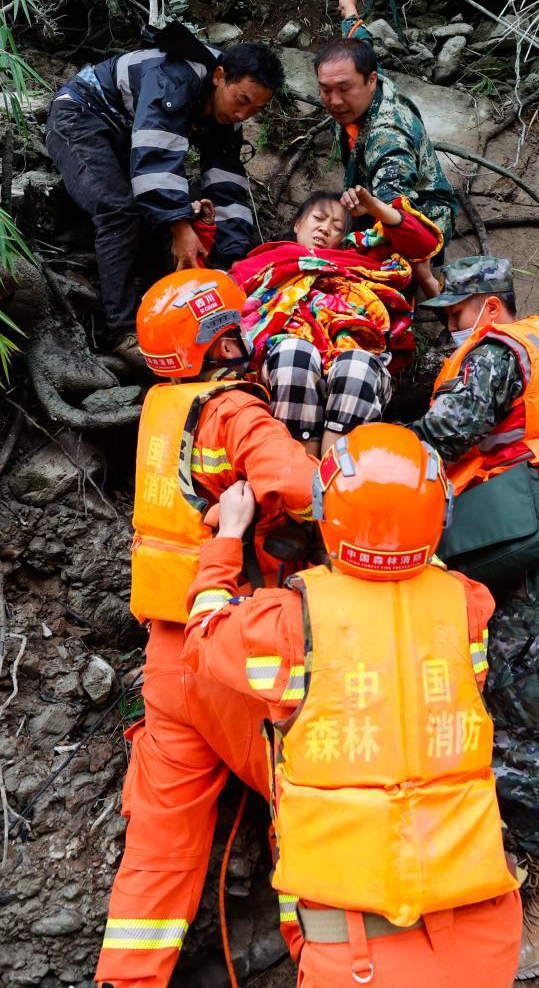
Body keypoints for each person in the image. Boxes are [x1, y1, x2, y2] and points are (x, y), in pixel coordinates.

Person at [182, 424, 522, 988]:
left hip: (360, 956)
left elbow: (202, 639)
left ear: (325, 512)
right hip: (487, 934)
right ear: (440, 516)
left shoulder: (289, 622)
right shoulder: (467, 604)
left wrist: (229, 538)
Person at [94, 268, 316, 988]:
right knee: (309, 805)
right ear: (221, 339)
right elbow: (301, 486)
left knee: (159, 846)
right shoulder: (232, 410)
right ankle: (324, 966)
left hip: (167, 655)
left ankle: (126, 979)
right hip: (233, 647)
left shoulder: (161, 409)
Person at [409, 256, 539, 980]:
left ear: (488, 307)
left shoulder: (497, 348)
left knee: (520, 734)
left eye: (455, 313)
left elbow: (448, 429)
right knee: (509, 718)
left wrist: (362, 452)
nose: (448, 329)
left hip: (537, 561)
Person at [45, 25, 284, 363]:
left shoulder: (227, 110)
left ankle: (181, 324)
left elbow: (227, 181)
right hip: (81, 115)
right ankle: (122, 331)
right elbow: (155, 156)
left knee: (180, 213)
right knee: (119, 210)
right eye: (242, 101)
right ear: (219, 76)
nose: (242, 114)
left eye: (255, 110)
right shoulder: (174, 79)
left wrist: (236, 259)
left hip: (126, 137)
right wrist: (180, 226)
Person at [229, 184, 442, 456]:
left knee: (357, 365)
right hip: (280, 362)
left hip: (353, 359)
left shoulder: (357, 259)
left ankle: (337, 473)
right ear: (297, 224)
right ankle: (299, 469)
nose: (325, 229)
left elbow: (423, 243)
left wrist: (375, 207)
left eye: (337, 227)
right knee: (295, 354)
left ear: (344, 238)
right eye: (318, 218)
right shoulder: (263, 262)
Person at [312, 0, 457, 294]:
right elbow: (359, 41)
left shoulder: (388, 140)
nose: (334, 101)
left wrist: (369, 211)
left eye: (344, 89)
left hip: (422, 218)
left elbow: (398, 214)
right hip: (376, 189)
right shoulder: (363, 70)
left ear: (371, 81)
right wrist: (350, 10)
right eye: (325, 89)